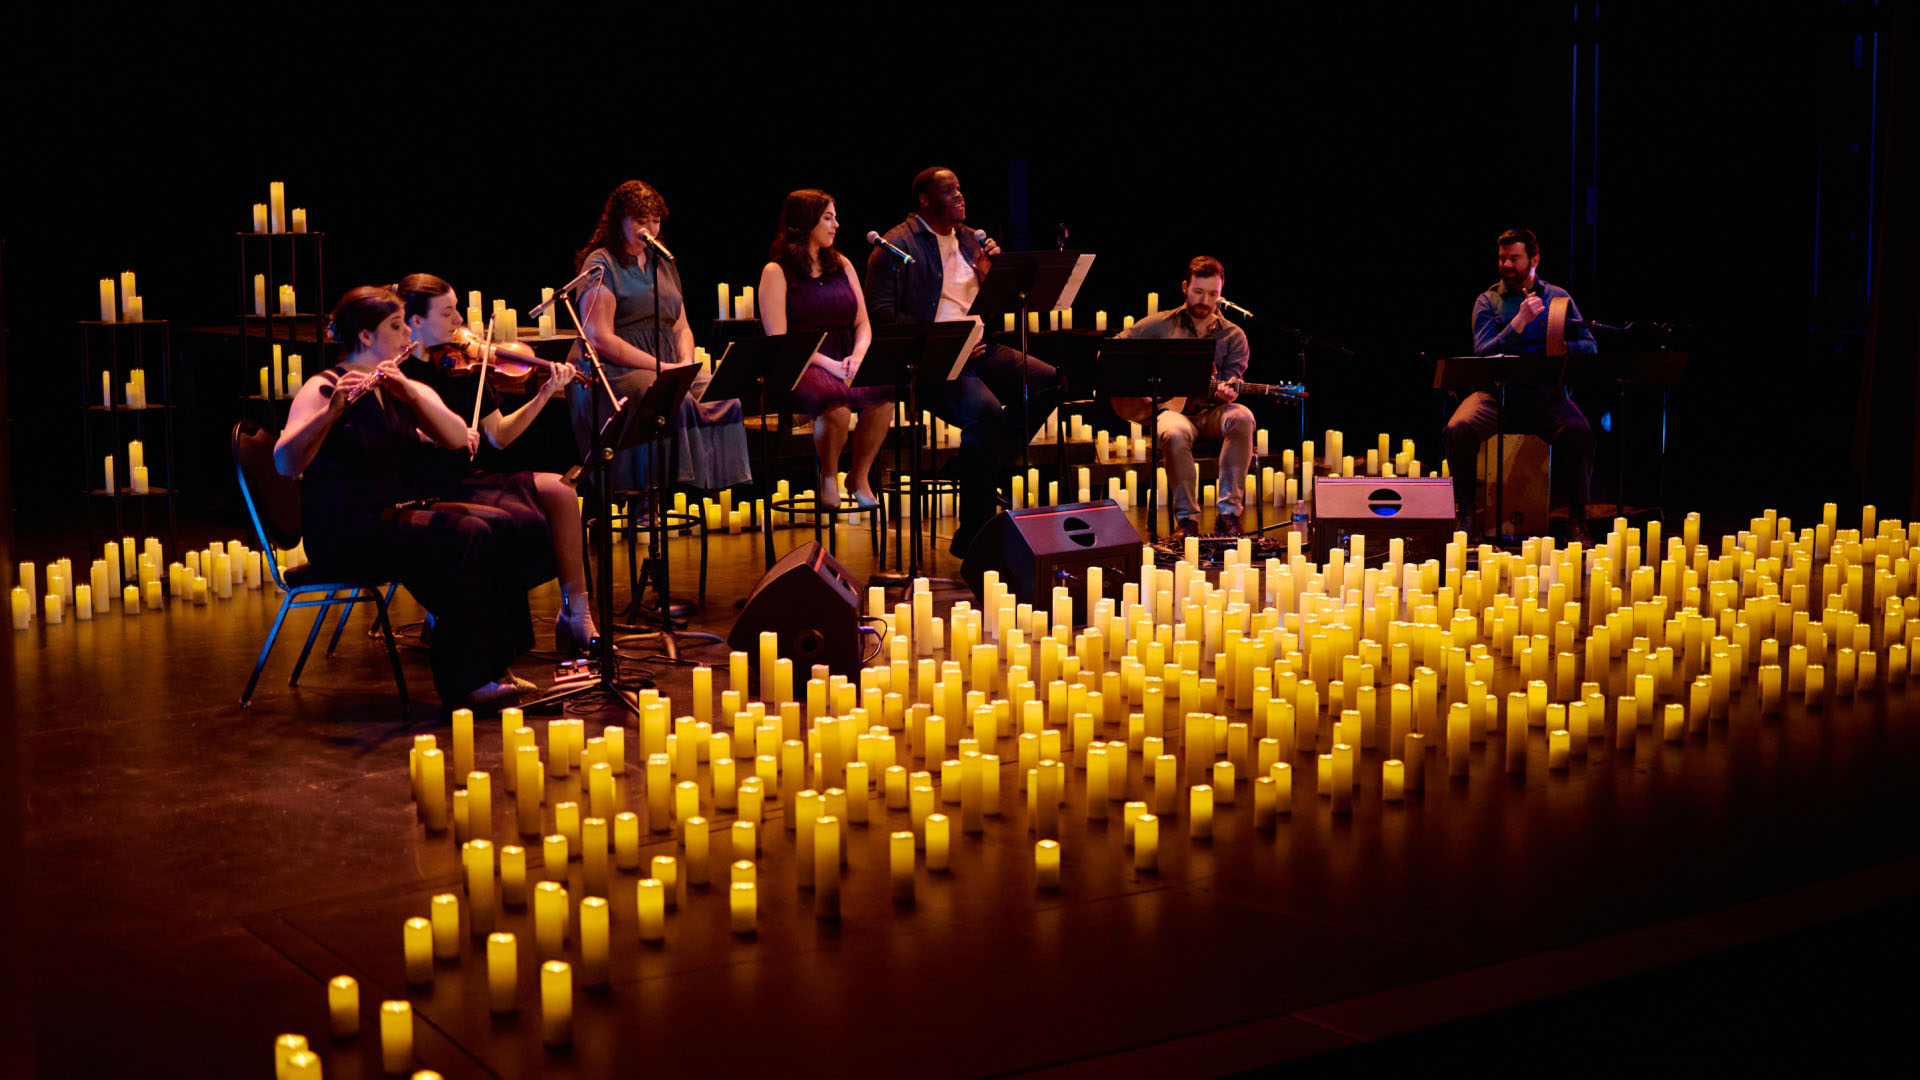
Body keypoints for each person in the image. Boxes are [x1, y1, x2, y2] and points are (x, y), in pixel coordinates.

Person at [273, 286, 537, 708]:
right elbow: (284, 461)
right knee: (467, 534)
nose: (407, 334)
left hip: (393, 516)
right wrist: (331, 413)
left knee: (501, 524)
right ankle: (464, 682)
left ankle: (495, 663)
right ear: (365, 336)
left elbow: (457, 438)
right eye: (396, 326)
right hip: (346, 530)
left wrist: (411, 393)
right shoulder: (322, 387)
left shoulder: (395, 386)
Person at [865, 166, 1064, 556]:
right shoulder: (896, 245)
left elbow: (995, 304)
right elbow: (881, 312)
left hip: (980, 346)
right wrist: (941, 342)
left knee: (1050, 381)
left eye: (959, 189)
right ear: (924, 200)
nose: (959, 196)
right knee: (986, 414)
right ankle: (975, 533)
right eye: (948, 190)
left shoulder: (972, 240)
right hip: (932, 358)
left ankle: (976, 464)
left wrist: (997, 275)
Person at [395, 273, 596, 652]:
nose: (460, 321)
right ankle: (451, 612)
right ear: (416, 321)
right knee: (508, 522)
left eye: (457, 310)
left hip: (464, 477)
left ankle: (576, 614)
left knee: (560, 490)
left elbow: (499, 436)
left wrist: (545, 393)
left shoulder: (461, 363)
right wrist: (440, 436)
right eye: (448, 313)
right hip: (419, 487)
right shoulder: (396, 373)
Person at [567, 180, 752, 497]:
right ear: (620, 220)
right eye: (641, 221)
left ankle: (706, 491)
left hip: (667, 365)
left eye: (655, 220)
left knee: (723, 395)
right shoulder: (602, 263)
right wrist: (663, 369)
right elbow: (600, 338)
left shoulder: (662, 262)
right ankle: (647, 499)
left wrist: (685, 364)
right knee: (666, 398)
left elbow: (681, 326)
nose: (650, 229)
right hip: (615, 369)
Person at [1444, 227, 1596, 542]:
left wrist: (1566, 348)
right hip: (1496, 395)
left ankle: (1577, 519)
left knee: (1580, 433)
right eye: (1502, 258)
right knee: (1458, 428)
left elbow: (1590, 345)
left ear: (1534, 259)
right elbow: (1483, 353)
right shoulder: (1488, 301)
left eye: (1514, 258)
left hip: (1545, 396)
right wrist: (1519, 322)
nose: (1506, 265)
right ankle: (1465, 513)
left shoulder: (1557, 297)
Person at [757, 189, 891, 509]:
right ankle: (828, 476)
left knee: (884, 394)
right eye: (828, 218)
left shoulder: (841, 264)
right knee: (836, 402)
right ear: (806, 222)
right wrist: (830, 365)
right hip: (803, 362)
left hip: (847, 356)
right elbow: (780, 340)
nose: (836, 225)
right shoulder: (777, 271)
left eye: (835, 218)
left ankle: (858, 476)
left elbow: (863, 323)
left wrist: (858, 355)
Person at [1116, 256, 1254, 538]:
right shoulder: (1159, 325)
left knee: (1242, 416)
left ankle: (1228, 515)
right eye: (1198, 292)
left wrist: (1226, 393)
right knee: (1176, 432)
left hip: (1209, 413)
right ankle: (1187, 522)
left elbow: (1231, 381)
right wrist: (1143, 387)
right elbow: (1112, 352)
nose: (1205, 301)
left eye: (1213, 294)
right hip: (1170, 412)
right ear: (1184, 287)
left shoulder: (1233, 336)